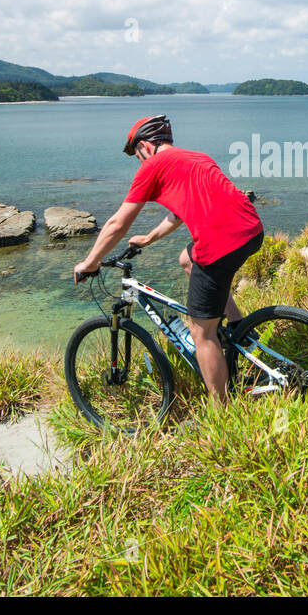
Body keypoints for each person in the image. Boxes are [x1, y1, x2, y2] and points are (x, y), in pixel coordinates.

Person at [74, 115, 264, 404]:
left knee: (202, 333)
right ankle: (239, 327)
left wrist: (90, 262)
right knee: (187, 259)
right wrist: (149, 238)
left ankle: (224, 414)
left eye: (136, 154)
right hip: (251, 230)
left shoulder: (151, 166)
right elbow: (178, 213)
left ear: (146, 146)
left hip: (220, 243)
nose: (138, 161)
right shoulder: (195, 157)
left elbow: (117, 224)